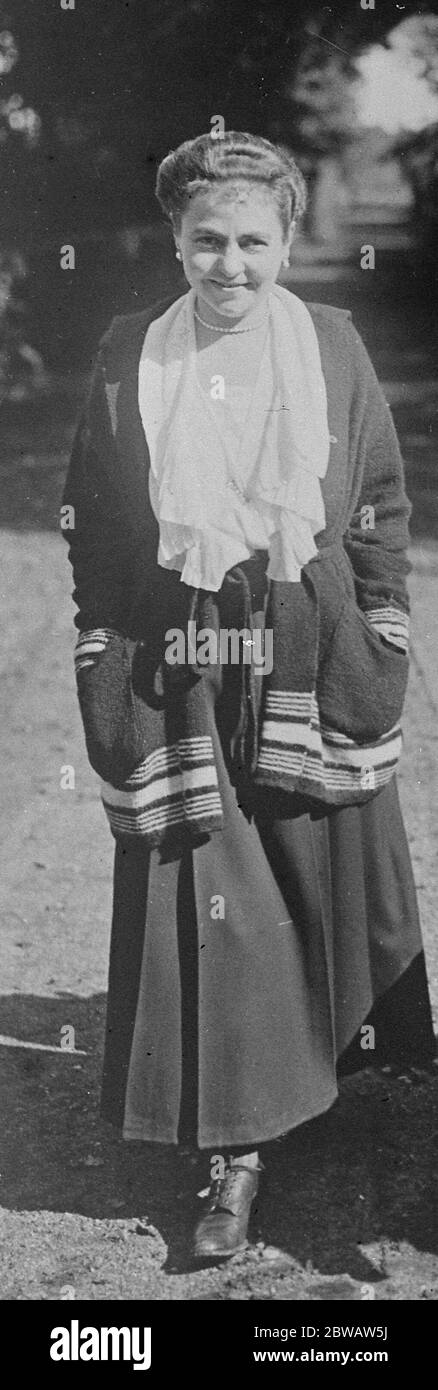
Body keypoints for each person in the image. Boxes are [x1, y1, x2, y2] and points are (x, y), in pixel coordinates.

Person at [62, 131, 435, 1262]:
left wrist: (383, 620)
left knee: (307, 863)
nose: (230, 265)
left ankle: (313, 1083)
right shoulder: (130, 353)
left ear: (285, 242)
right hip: (176, 652)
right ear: (176, 242)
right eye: (208, 242)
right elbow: (93, 515)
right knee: (205, 883)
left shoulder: (331, 342)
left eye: (253, 243)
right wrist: (98, 642)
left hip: (305, 639)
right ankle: (236, 1150)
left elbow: (376, 503)